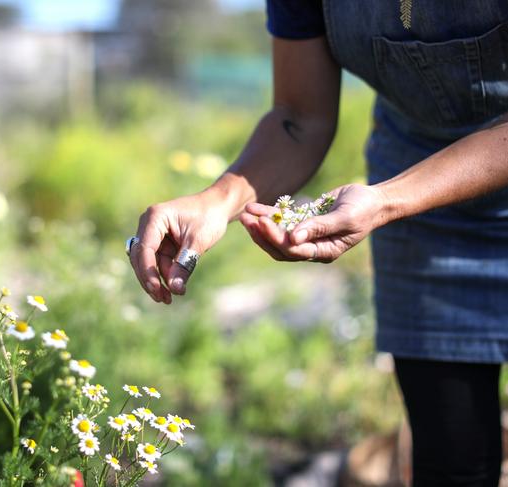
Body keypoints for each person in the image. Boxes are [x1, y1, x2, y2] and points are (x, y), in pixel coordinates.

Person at [126, 1, 508, 485]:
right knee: (453, 460)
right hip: (421, 197)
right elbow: (301, 116)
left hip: (404, 191)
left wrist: (388, 200)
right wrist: (216, 201)